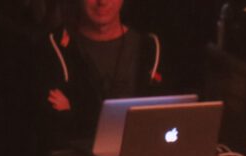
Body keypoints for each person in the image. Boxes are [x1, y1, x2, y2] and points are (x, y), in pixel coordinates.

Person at [43, 0, 162, 146]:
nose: (102, 2)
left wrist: (74, 110)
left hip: (140, 153)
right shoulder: (53, 50)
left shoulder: (149, 50)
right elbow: (51, 129)